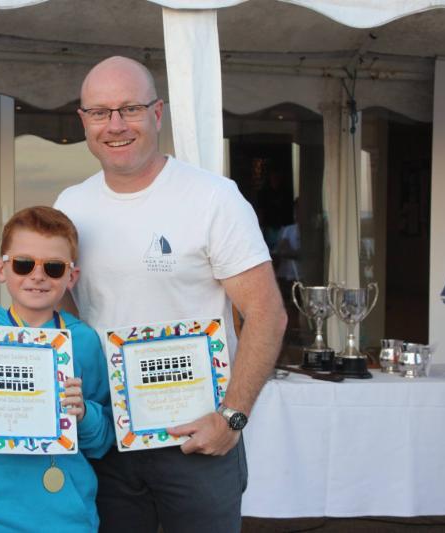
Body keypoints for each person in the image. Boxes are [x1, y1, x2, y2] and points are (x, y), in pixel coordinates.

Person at [53, 56, 287, 533]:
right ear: (83, 121)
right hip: (107, 439)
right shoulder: (70, 206)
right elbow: (62, 310)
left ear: (157, 113)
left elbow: (267, 314)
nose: (115, 125)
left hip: (196, 441)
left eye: (129, 109)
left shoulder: (213, 199)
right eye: (100, 112)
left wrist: (232, 418)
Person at [0, 206, 115, 532]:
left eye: (54, 268)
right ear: (2, 269)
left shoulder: (83, 341)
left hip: (66, 515)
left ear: (71, 277)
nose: (37, 275)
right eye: (23, 263)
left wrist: (83, 414)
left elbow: (103, 439)